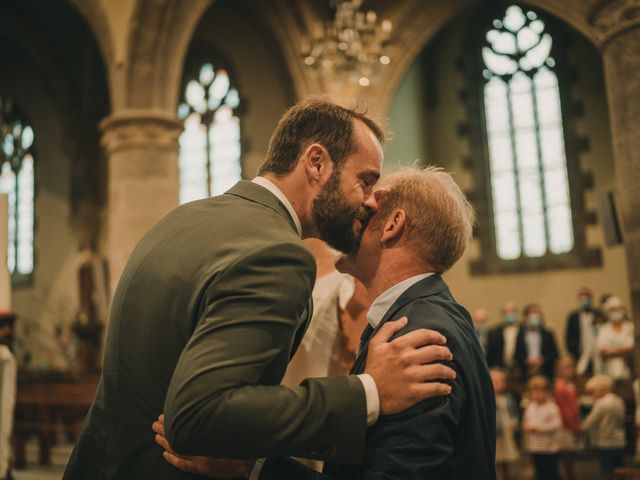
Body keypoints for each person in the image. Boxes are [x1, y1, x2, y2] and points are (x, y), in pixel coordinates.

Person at [63, 99, 456, 479]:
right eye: (365, 180)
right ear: (316, 163)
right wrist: (368, 392)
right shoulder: (276, 254)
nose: (370, 202)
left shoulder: (182, 219)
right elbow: (200, 413)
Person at [156, 166, 497, 479]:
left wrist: (251, 468)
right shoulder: (438, 315)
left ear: (393, 225)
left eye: (367, 207)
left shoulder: (416, 336)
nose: (352, 213)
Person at [582, 375, 626, 479]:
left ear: (602, 389)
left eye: (593, 391)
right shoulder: (619, 400)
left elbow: (589, 423)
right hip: (620, 441)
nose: (593, 395)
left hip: (606, 443)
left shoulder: (601, 403)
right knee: (620, 472)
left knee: (607, 472)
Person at [522, 375, 562, 480]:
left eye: (540, 391)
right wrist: (525, 425)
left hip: (549, 447)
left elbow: (556, 424)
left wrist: (537, 428)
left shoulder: (551, 407)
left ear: (547, 392)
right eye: (534, 391)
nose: (537, 394)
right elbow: (526, 420)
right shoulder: (530, 406)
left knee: (551, 472)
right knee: (539, 472)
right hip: (535, 446)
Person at [553, 357, 581, 480]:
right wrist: (571, 424)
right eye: (565, 367)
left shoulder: (570, 385)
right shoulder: (559, 386)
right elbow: (563, 408)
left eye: (570, 367)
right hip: (565, 424)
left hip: (572, 421)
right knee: (566, 454)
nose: (568, 370)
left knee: (570, 454)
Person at [515, 304, 559, 381]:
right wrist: (526, 360)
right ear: (525, 317)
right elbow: (517, 354)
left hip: (545, 371)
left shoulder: (548, 333)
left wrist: (543, 360)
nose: (535, 316)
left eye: (537, 313)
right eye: (532, 313)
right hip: (525, 372)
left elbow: (554, 353)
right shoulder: (519, 334)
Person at [596, 295, 634, 381]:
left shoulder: (630, 327)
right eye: (612, 309)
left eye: (618, 308)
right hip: (608, 372)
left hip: (628, 371)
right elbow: (602, 350)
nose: (616, 312)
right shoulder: (603, 329)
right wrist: (621, 351)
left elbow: (630, 348)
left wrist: (613, 351)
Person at [565, 287, 601, 375]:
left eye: (587, 297)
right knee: (580, 373)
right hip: (581, 353)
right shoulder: (573, 316)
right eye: (582, 297)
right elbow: (569, 336)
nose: (584, 300)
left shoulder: (599, 314)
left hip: (598, 352)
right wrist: (573, 352)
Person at [491, 368, 519, 480]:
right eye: (494, 381)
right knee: (496, 457)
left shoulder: (507, 398)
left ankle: (508, 475)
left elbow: (513, 412)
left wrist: (514, 422)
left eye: (500, 381)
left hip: (507, 431)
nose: (497, 383)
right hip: (494, 433)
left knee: (507, 456)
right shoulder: (488, 398)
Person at [486, 301, 520, 371]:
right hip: (499, 368)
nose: (509, 314)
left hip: (518, 369)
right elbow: (490, 352)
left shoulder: (523, 331)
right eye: (506, 312)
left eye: (512, 311)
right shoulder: (494, 332)